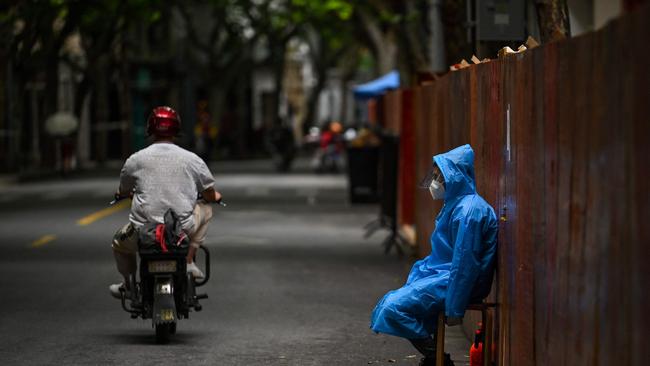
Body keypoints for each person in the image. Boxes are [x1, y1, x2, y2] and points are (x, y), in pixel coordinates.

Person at [370, 144, 498, 366]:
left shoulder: (468, 212)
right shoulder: (457, 204)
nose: (436, 180)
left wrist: (455, 307)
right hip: (445, 275)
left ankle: (435, 357)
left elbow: (465, 264)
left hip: (458, 280)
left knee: (393, 307)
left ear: (455, 176)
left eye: (440, 175)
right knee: (390, 303)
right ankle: (434, 357)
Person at [109, 106, 222, 298]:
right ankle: (188, 261)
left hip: (142, 232)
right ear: (176, 129)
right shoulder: (192, 159)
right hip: (181, 231)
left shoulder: (136, 159)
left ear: (150, 129)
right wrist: (215, 197)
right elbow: (209, 193)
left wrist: (122, 193)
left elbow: (124, 189)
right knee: (207, 209)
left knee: (118, 243)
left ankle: (129, 285)